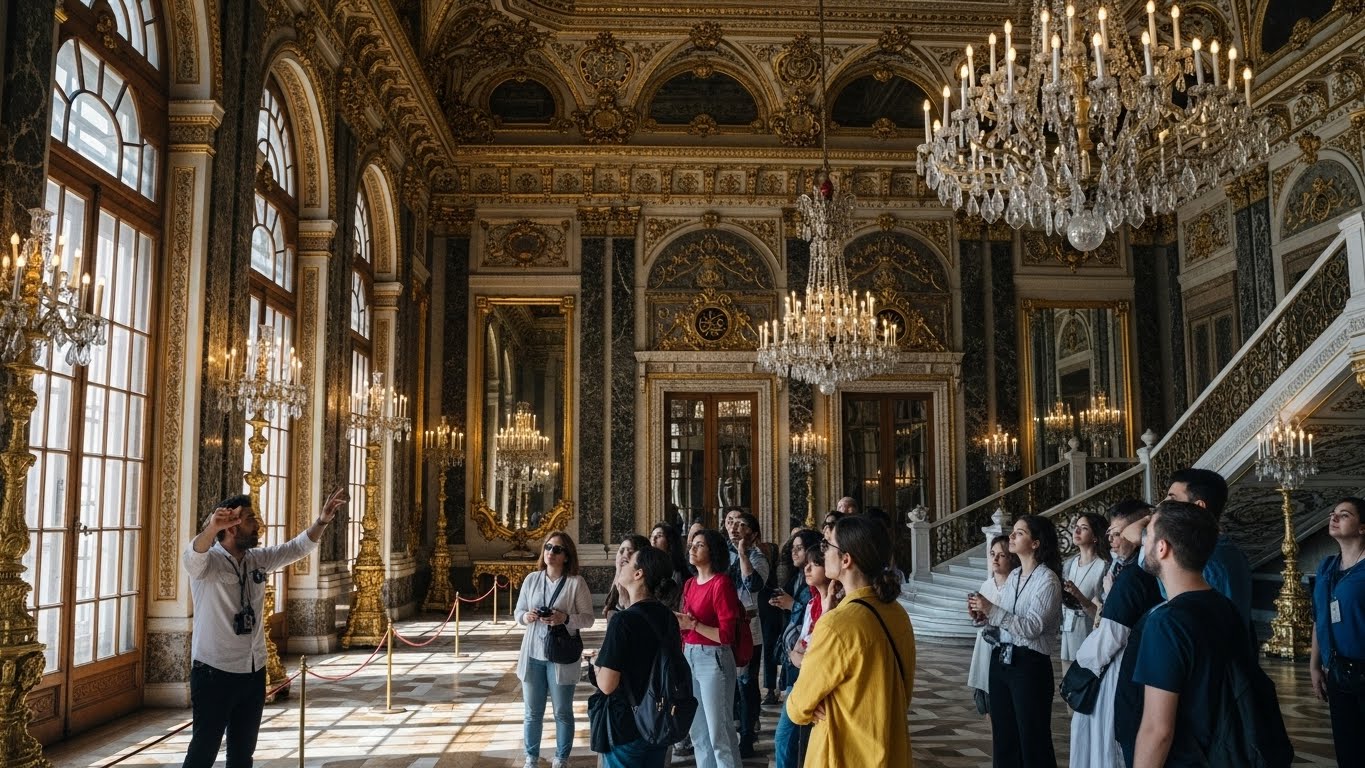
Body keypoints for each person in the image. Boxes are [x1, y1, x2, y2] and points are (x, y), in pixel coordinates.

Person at [181, 488, 348, 768]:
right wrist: (212, 527)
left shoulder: (256, 559)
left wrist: (322, 521)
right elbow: (193, 554)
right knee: (203, 751)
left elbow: (296, 548)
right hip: (214, 674)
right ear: (232, 526)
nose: (258, 525)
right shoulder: (207, 562)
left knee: (242, 754)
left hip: (253, 672)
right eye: (250, 519)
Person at [786, 515, 916, 767]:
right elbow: (903, 692)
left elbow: (797, 706)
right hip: (891, 749)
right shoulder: (897, 613)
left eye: (828, 546)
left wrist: (815, 705)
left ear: (846, 559)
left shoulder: (837, 624)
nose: (823, 553)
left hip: (844, 754)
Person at [1132, 500, 1253, 767]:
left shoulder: (1165, 622)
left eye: (1148, 536)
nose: (1143, 543)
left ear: (1162, 548)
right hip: (1225, 752)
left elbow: (1158, 730)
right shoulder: (1224, 605)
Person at [1070, 500, 1161, 768]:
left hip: (1118, 666)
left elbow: (1112, 633)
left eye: (1118, 532)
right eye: (1109, 533)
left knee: (1106, 741)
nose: (1112, 539)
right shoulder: (1123, 569)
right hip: (1126, 660)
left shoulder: (1135, 575)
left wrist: (1084, 664)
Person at [967, 514, 1063, 768]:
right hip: (1002, 659)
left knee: (1032, 738)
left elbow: (1032, 627)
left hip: (1029, 665)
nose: (1012, 536)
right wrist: (983, 617)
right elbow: (1005, 622)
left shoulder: (1048, 580)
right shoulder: (1015, 575)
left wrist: (993, 611)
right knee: (1004, 736)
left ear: (1035, 543)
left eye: (1019, 533)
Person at [589, 546, 684, 768]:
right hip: (658, 718)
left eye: (629, 561)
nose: (623, 562)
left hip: (627, 724)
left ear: (639, 574)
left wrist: (596, 665)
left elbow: (607, 685)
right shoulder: (668, 616)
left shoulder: (622, 621)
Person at [514, 531, 595, 768]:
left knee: (562, 711)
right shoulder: (532, 579)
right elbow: (518, 612)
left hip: (561, 655)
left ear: (566, 556)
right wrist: (526, 617)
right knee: (532, 712)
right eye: (548, 547)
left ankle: (561, 758)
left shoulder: (575, 583)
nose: (551, 552)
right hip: (533, 654)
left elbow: (588, 619)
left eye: (557, 549)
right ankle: (531, 756)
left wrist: (565, 618)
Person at [676, 528, 744, 768]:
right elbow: (688, 626)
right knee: (698, 734)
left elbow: (726, 635)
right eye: (692, 544)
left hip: (713, 658)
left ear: (712, 551)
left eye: (700, 545)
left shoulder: (721, 584)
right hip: (690, 654)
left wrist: (693, 625)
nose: (693, 548)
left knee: (719, 733)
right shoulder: (689, 584)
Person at [1164, 468, 1253, 633]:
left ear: (1199, 507)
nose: (1163, 506)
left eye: (1172, 500)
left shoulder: (1210, 560)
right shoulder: (1221, 551)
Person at [1311, 497, 1365, 763]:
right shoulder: (1325, 567)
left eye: (1344, 515)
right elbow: (1319, 617)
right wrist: (1315, 665)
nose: (1333, 517)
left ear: (1362, 527)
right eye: (1333, 513)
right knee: (1347, 748)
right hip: (1337, 672)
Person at [773, 537, 833, 768]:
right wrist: (798, 656)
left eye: (814, 564)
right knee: (787, 740)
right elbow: (797, 648)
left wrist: (801, 656)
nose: (806, 568)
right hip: (801, 681)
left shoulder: (837, 607)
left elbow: (817, 655)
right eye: (806, 563)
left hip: (819, 685)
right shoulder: (811, 604)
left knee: (799, 743)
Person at [723, 508, 769, 758]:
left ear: (752, 533)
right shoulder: (722, 555)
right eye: (731, 524)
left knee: (746, 682)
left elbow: (753, 584)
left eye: (741, 525)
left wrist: (742, 554)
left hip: (749, 628)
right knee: (727, 680)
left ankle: (748, 735)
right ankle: (733, 726)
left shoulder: (758, 557)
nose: (734, 528)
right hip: (726, 626)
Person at [968, 535, 1018, 715]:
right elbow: (983, 619)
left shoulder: (1016, 586)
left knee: (1004, 705)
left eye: (1001, 555)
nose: (995, 559)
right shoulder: (987, 585)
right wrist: (978, 616)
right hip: (984, 646)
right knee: (987, 701)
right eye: (992, 554)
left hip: (1006, 648)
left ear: (1012, 558)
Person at [1061, 512, 1111, 661]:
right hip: (1067, 630)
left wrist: (1079, 596)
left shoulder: (1104, 566)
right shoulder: (1069, 564)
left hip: (1089, 632)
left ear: (1095, 536)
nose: (1076, 531)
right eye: (1076, 527)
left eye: (1083, 528)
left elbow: (1103, 612)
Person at [603, 534, 651, 618]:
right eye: (621, 551)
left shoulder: (648, 590)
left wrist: (626, 603)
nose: (624, 556)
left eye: (631, 552)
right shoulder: (617, 585)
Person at [650, 521, 689, 610]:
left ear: (670, 541)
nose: (654, 539)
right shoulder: (649, 567)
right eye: (652, 536)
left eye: (659, 536)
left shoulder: (678, 572)